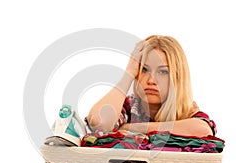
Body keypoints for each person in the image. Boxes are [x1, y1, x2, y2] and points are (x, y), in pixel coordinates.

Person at [85, 35, 216, 137]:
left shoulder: (186, 110)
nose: (151, 80)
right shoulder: (127, 107)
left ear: (177, 77)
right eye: (144, 70)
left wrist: (131, 128)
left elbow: (203, 131)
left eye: (163, 71)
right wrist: (129, 73)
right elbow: (99, 122)